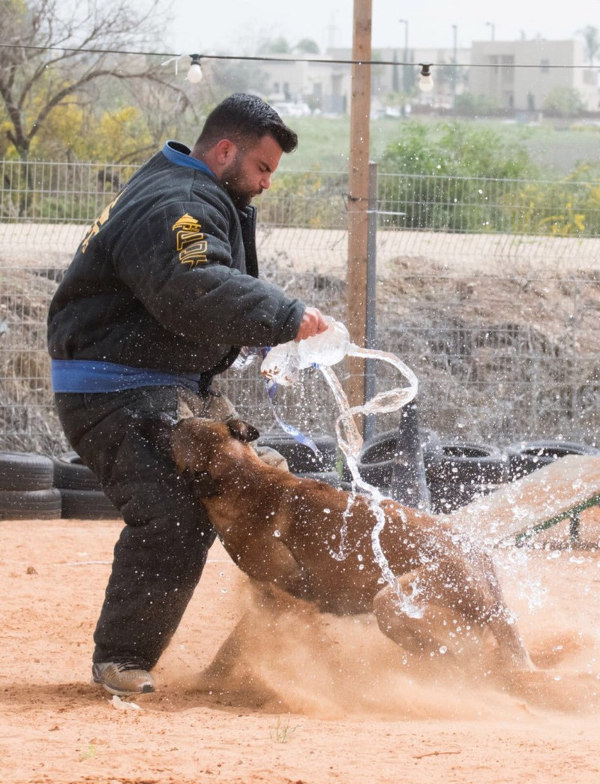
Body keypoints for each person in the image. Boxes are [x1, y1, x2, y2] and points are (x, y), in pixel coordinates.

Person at [47, 93, 328, 697]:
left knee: (269, 486)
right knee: (174, 518)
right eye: (262, 169)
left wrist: (262, 335)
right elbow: (190, 286)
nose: (266, 183)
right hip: (113, 389)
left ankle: (291, 638)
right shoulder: (177, 203)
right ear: (224, 150)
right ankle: (121, 660)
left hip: (167, 382)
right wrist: (283, 315)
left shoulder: (187, 191)